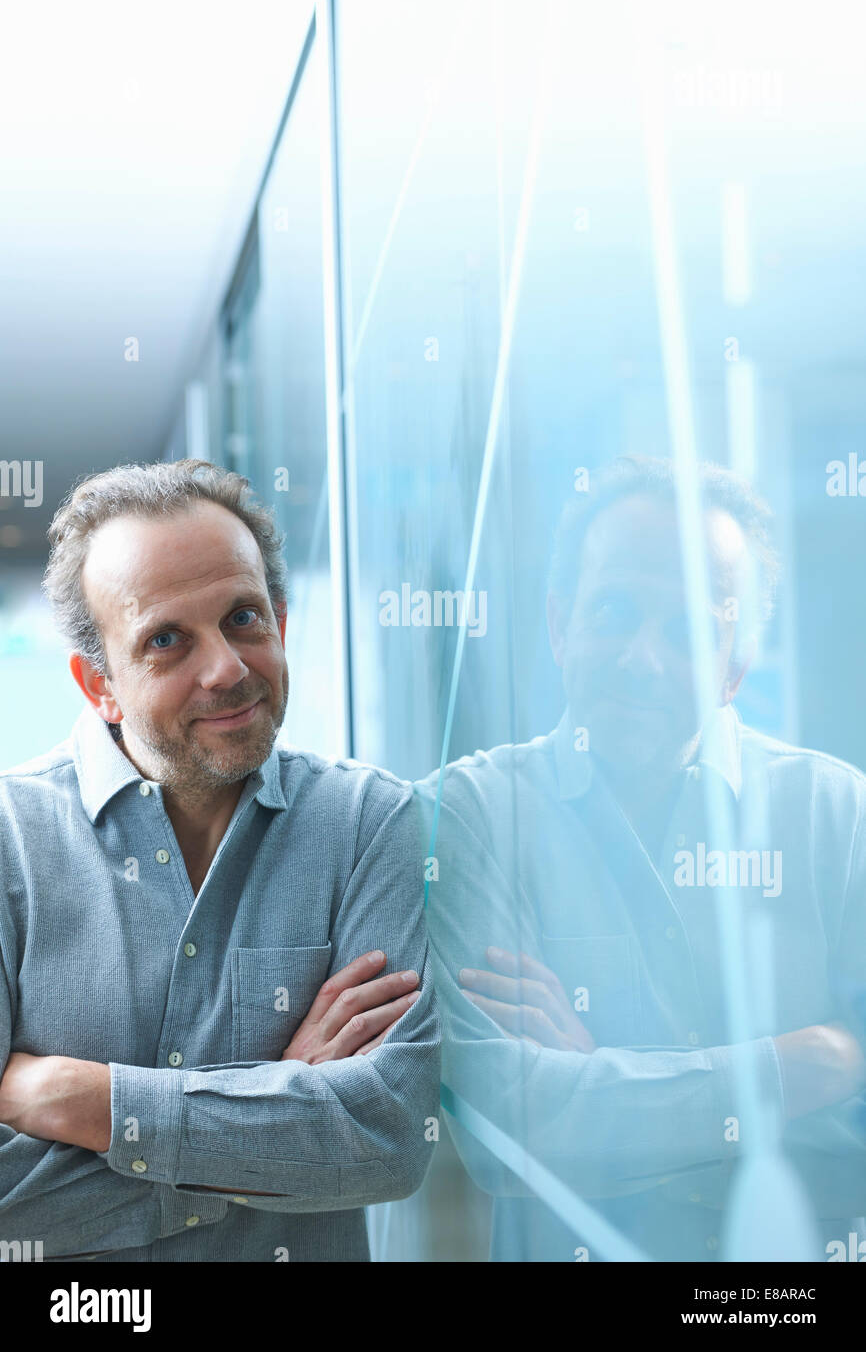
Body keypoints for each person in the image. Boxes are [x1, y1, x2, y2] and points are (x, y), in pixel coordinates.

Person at [416, 454, 866, 1261]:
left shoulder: (840, 817)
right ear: (561, 625)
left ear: (736, 665)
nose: (641, 659)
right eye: (615, 611)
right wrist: (801, 1065)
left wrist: (603, 1080)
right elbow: (508, 1131)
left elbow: (563, 1119)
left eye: (688, 630)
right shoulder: (470, 816)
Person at [0, 458, 440, 1262]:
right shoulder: (8, 843)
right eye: (166, 641)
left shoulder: (369, 823)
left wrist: (90, 1104)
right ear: (98, 684)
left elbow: (390, 1140)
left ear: (279, 618)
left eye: (243, 618)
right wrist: (281, 1120)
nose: (228, 670)